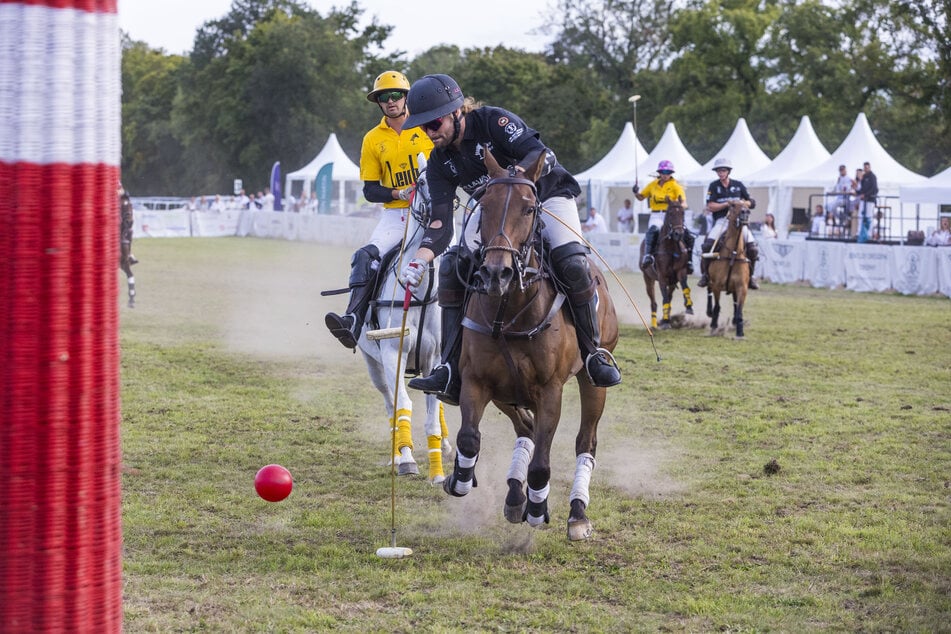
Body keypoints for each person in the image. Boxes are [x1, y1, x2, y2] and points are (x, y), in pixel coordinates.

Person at [398, 73, 621, 405]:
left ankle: (593, 354)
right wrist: (420, 259)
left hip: (547, 197)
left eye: (435, 123)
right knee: (452, 267)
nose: (430, 134)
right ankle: (450, 368)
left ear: (458, 111)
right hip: (494, 214)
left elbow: (538, 151)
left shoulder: (493, 122)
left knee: (573, 263)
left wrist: (514, 177)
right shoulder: (440, 161)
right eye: (423, 128)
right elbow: (441, 223)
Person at [324, 70, 434, 349]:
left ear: (406, 97)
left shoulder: (427, 127)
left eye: (396, 95)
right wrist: (399, 192)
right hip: (396, 215)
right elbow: (370, 190)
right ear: (379, 104)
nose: (391, 101)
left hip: (435, 213)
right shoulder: (373, 139)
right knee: (364, 257)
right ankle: (353, 320)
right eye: (383, 98)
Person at [697, 157, 759, 289]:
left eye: (723, 170)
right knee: (707, 246)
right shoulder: (713, 186)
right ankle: (705, 276)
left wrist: (740, 203)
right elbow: (710, 206)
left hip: (739, 222)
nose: (721, 173)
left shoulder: (738, 185)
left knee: (753, 248)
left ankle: (751, 277)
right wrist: (726, 204)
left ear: (728, 171)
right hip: (722, 221)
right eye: (719, 171)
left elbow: (751, 202)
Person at [632, 160, 695, 272]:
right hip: (657, 215)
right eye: (663, 172)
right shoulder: (652, 185)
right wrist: (636, 192)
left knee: (688, 235)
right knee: (653, 230)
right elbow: (641, 197)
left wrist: (678, 205)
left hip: (672, 216)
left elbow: (684, 203)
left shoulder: (676, 186)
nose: (665, 174)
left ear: (671, 173)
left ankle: (689, 261)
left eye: (668, 172)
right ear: (659, 172)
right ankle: (648, 256)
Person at [857, 161, 878, 243]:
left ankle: (869, 233)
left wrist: (865, 195)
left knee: (869, 217)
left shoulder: (873, 177)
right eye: (865, 167)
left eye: (867, 167)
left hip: (870, 200)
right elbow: (862, 188)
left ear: (870, 167)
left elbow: (874, 189)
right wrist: (858, 192)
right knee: (860, 216)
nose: (866, 169)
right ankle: (859, 232)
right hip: (863, 200)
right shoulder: (864, 177)